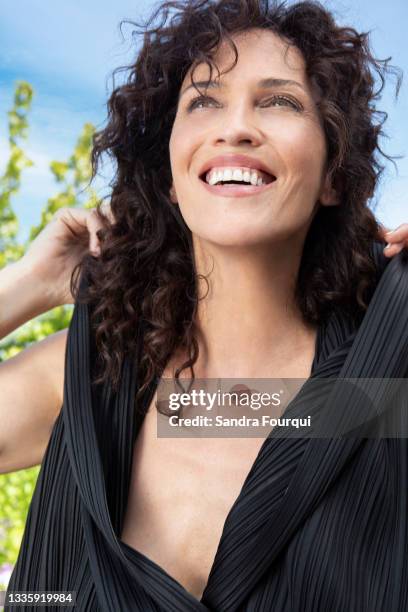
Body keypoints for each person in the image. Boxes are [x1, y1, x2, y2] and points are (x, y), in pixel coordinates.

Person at [1, 0, 407, 610]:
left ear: (333, 176)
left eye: (280, 101)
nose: (235, 126)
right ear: (169, 173)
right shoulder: (94, 379)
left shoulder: (380, 393)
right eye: (204, 101)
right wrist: (23, 287)